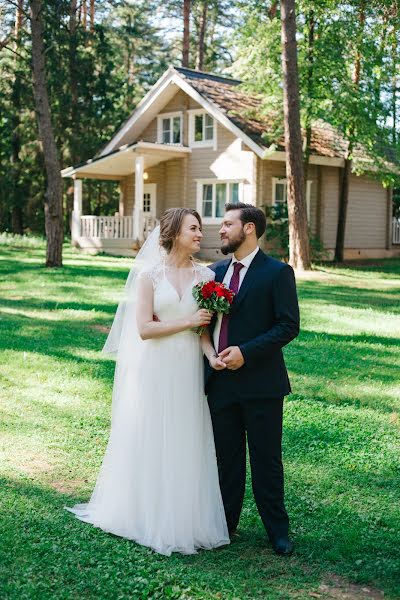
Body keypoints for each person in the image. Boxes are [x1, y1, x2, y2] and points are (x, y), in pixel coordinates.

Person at [66, 208, 230, 556]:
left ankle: (184, 516)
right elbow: (143, 328)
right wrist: (187, 321)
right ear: (174, 233)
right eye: (194, 228)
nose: (201, 234)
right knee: (154, 433)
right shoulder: (149, 276)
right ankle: (143, 511)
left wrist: (211, 355)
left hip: (186, 369)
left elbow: (203, 330)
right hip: (155, 366)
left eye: (201, 228)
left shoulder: (206, 275)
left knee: (184, 435)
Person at [205, 202, 300, 556]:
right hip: (221, 383)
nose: (221, 228)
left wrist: (246, 351)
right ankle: (225, 525)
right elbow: (205, 324)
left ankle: (277, 530)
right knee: (227, 461)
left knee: (266, 460)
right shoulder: (213, 273)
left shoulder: (277, 272)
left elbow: (288, 325)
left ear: (248, 229)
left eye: (228, 223)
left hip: (262, 384)